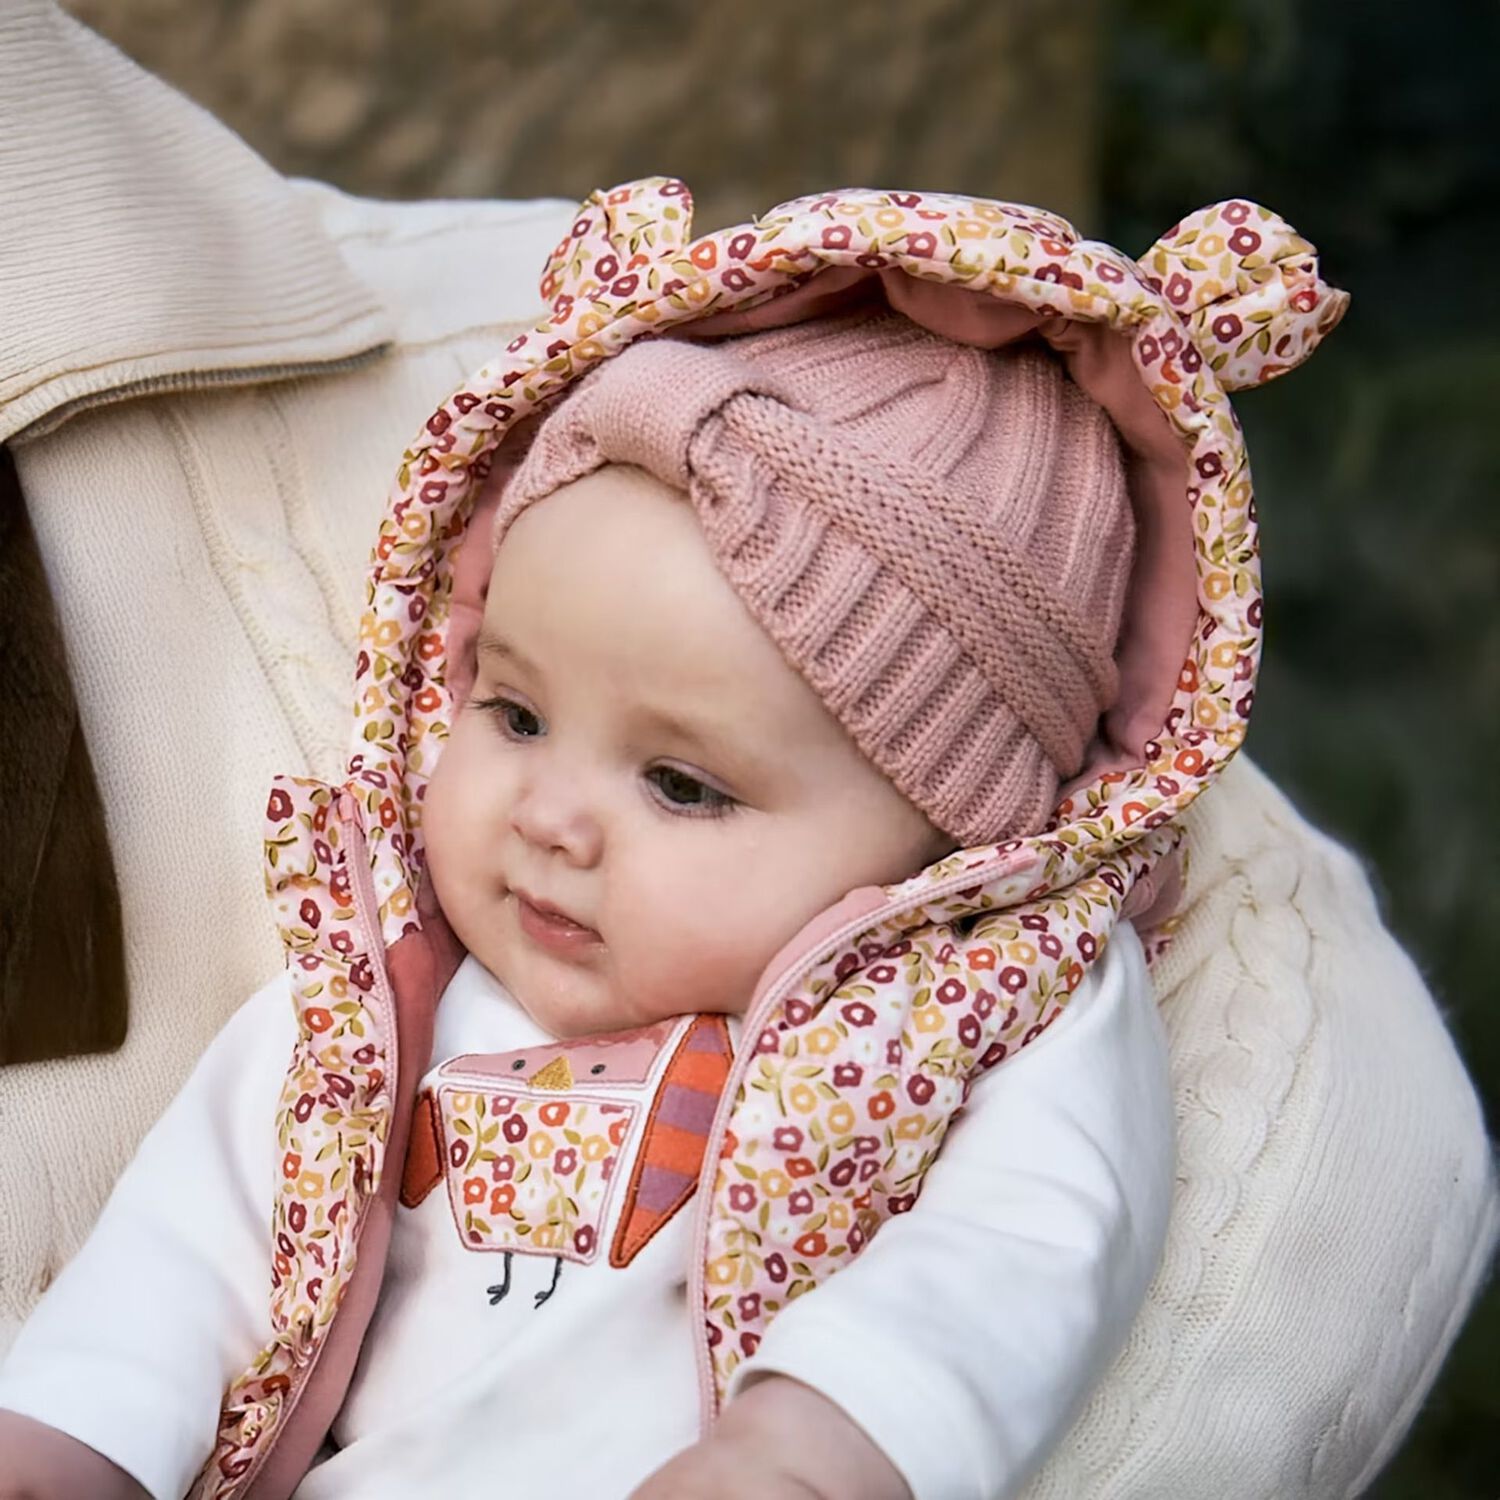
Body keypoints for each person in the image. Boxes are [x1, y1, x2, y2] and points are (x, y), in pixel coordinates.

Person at [0, 178, 1344, 1500]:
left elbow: (1038, 1235)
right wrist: (79, 1435)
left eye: (683, 786)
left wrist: (818, 1442)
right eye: (515, 713)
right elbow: (205, 1230)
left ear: (955, 842)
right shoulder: (396, 984)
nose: (550, 820)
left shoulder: (976, 1002)